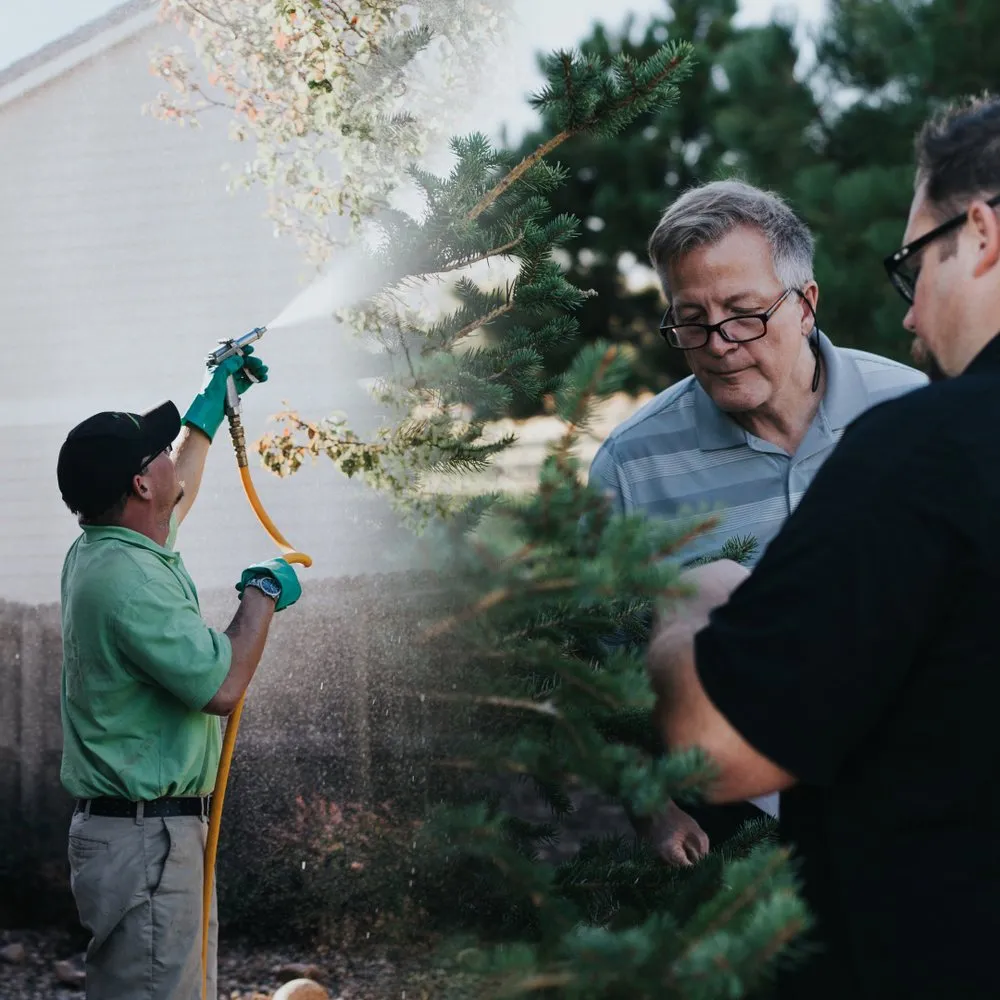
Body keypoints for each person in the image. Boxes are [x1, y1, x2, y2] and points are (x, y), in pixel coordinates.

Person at [646, 93, 1000, 998]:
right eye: (693, 321)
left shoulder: (919, 443)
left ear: (983, 235)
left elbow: (718, 744)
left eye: (911, 265)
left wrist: (700, 607)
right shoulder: (627, 463)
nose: (912, 315)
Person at [589, 179, 927, 865]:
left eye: (744, 314)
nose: (718, 343)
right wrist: (653, 808)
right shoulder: (631, 468)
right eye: (691, 319)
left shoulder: (914, 411)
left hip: (917, 792)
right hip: (735, 831)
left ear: (805, 306)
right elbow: (605, 672)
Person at [56, 347, 302, 1000]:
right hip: (145, 843)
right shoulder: (131, 582)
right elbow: (221, 689)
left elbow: (176, 490)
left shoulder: (111, 546)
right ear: (139, 485)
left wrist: (210, 402)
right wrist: (263, 595)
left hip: (145, 837)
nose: (171, 457)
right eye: (156, 452)